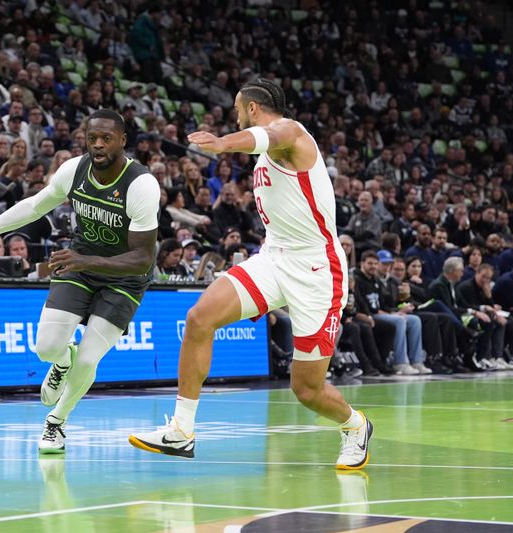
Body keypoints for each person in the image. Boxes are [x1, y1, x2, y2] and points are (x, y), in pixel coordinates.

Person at [129, 79, 371, 469]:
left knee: (306, 390)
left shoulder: (292, 133)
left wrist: (222, 143)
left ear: (252, 109)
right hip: (273, 257)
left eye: (240, 109)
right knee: (199, 318)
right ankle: (181, 431)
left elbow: (269, 134)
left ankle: (355, 425)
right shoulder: (267, 151)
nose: (236, 115)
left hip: (317, 269)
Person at [0, 109, 160, 454]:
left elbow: (142, 257)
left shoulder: (141, 184)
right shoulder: (74, 170)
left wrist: (85, 259)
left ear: (122, 141)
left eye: (106, 138)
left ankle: (56, 422)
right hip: (80, 265)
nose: (98, 145)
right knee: (46, 348)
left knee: (89, 359)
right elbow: (35, 205)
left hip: (125, 278)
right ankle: (62, 360)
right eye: (92, 138)